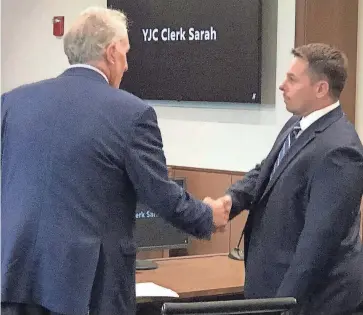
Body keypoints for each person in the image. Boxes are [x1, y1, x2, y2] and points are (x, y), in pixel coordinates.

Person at [1, 7, 231, 315]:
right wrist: (207, 215)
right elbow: (161, 196)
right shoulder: (131, 114)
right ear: (111, 52)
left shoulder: (13, 102)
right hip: (87, 288)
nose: (126, 64)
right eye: (125, 54)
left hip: (16, 273)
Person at [212, 43, 363, 314]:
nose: (282, 86)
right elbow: (266, 170)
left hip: (313, 301)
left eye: (292, 79)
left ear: (321, 89)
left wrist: (281, 307)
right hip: (275, 289)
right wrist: (232, 200)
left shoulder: (341, 151)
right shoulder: (298, 124)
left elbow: (316, 246)